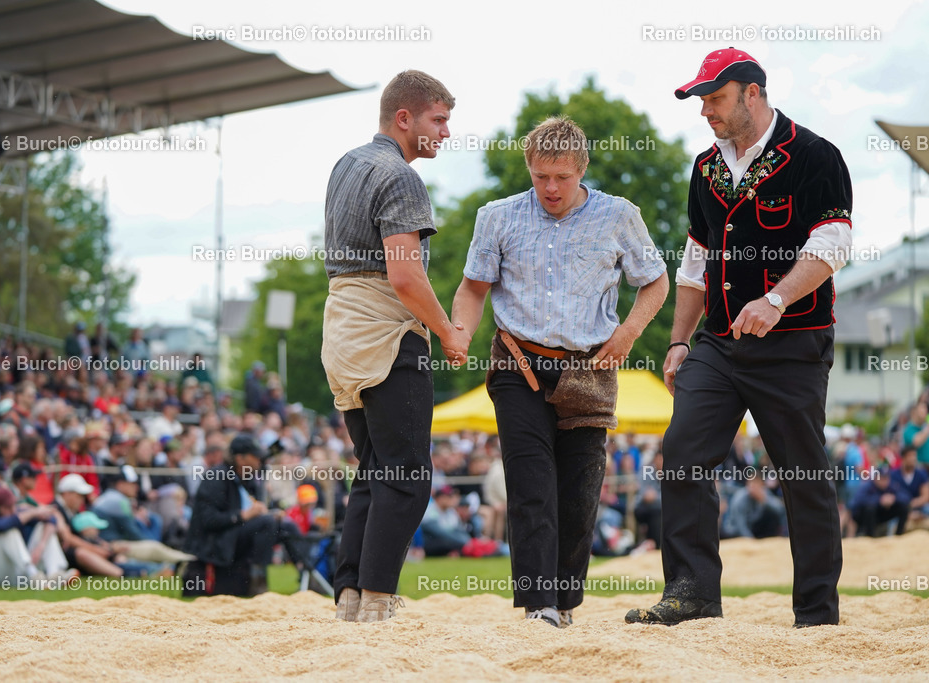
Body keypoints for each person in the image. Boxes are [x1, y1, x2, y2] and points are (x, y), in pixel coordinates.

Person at [627, 48, 852, 628]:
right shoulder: (705, 167)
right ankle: (693, 593)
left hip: (795, 343)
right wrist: (678, 343)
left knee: (802, 473)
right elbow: (695, 263)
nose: (706, 111)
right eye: (703, 101)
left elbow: (832, 246)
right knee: (681, 455)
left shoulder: (814, 155)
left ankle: (816, 613)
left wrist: (777, 299)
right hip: (719, 344)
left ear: (753, 93)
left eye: (716, 99)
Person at [452, 116, 668, 627]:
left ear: (581, 170)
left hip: (590, 368)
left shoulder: (619, 216)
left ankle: (564, 604)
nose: (550, 187)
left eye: (562, 177)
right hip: (517, 362)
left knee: (578, 496)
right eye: (540, 176)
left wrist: (628, 334)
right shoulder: (497, 217)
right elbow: (473, 289)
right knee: (531, 487)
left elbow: (655, 283)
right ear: (528, 168)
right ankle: (538, 606)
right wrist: (458, 335)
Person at [321, 70, 467, 623]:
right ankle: (379, 598)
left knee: (376, 469)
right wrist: (449, 333)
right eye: (439, 119)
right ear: (403, 118)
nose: (446, 132)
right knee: (407, 476)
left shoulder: (346, 165)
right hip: (385, 328)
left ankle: (350, 595)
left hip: (341, 327)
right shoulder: (400, 177)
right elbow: (405, 278)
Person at [184, 435, 290, 595]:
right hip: (215, 540)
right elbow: (208, 520)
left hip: (234, 535)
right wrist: (244, 515)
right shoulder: (216, 476)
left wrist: (266, 512)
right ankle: (257, 583)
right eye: (256, 456)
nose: (260, 461)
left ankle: (310, 578)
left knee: (286, 525)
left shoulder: (247, 478)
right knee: (267, 523)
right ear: (240, 459)